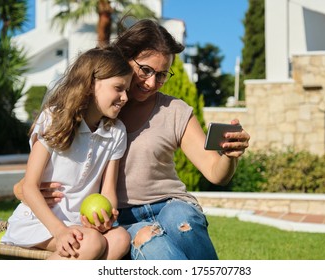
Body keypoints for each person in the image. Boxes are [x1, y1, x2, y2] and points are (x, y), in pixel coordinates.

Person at [14, 19, 250, 260]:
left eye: (161, 75)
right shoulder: (98, 111)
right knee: (152, 245)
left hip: (170, 205)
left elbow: (216, 173)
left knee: (183, 220)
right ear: (124, 58)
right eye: (145, 70)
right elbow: (39, 179)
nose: (151, 83)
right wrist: (22, 189)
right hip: (121, 218)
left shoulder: (171, 111)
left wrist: (229, 156)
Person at [3, 46, 133, 260]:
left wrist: (107, 216)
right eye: (118, 88)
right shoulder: (53, 119)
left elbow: (108, 191)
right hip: (40, 222)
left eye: (127, 89)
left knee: (120, 238)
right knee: (91, 242)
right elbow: (29, 186)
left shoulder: (117, 131)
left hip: (79, 225)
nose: (125, 97)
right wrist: (60, 231)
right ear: (91, 85)